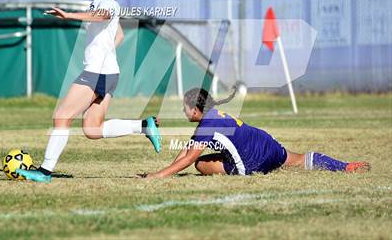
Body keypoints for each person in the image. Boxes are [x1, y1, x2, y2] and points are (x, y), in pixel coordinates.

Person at [17, 0, 161, 183]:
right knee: (92, 129)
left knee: (61, 116)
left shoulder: (105, 3)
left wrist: (69, 15)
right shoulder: (105, 3)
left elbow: (103, 16)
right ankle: (143, 126)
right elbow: (119, 34)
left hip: (96, 73)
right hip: (108, 73)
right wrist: (104, 51)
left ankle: (44, 172)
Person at [145, 87, 370, 178]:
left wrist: (158, 176)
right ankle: (345, 166)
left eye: (185, 108)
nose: (183, 111)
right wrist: (167, 172)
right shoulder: (215, 114)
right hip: (269, 145)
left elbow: (189, 159)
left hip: (251, 163)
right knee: (301, 159)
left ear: (195, 110)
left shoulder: (206, 126)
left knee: (200, 165)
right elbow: (186, 149)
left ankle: (241, 165)